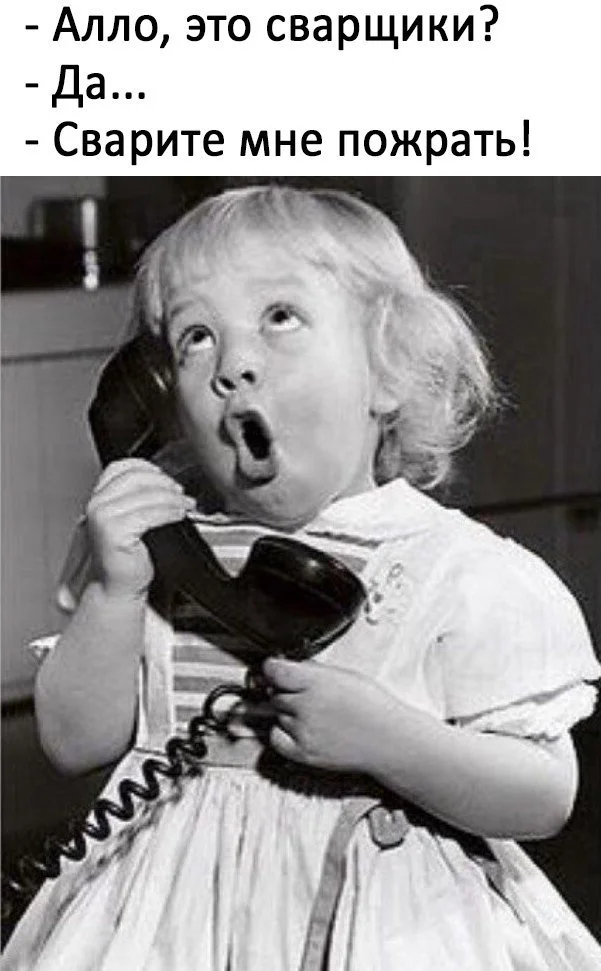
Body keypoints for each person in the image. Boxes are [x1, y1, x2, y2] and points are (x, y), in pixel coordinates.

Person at [3, 185, 601, 970]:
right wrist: (115, 593)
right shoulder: (151, 553)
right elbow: (74, 742)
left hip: (384, 929)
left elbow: (543, 794)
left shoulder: (461, 574)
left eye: (279, 317)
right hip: (169, 924)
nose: (232, 365)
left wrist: (389, 741)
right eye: (195, 337)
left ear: (387, 373)